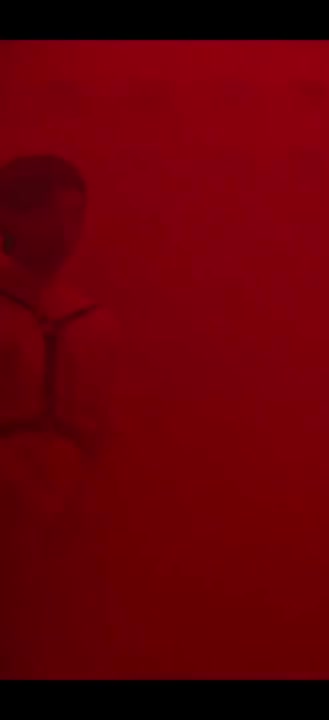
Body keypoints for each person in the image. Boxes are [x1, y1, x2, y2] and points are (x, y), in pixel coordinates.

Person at [0, 155, 119, 676]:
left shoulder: (95, 321)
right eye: (51, 215)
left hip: (69, 511)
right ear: (12, 218)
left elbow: (103, 426)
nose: (67, 232)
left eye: (75, 216)